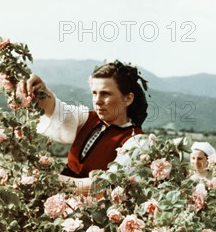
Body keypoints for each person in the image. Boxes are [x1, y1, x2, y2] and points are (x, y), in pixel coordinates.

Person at [21, 60, 149, 194]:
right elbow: (55, 109)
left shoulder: (137, 142)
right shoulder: (88, 119)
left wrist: (48, 178)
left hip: (94, 212)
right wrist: (38, 89)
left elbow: (101, 186)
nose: (97, 101)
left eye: (105, 94)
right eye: (94, 93)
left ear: (127, 99)